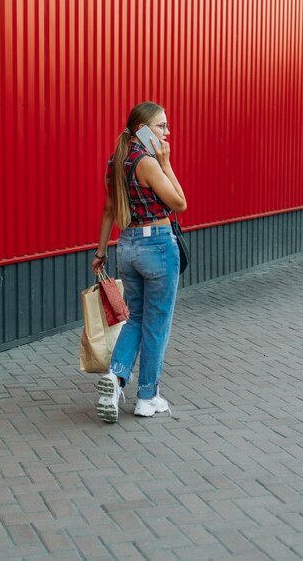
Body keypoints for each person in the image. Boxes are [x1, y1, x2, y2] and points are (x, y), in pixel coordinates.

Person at [92, 101, 187, 423]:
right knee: (156, 325)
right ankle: (147, 397)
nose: (167, 132)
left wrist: (101, 251)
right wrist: (166, 164)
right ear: (142, 129)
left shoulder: (115, 160)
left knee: (134, 319)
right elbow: (180, 203)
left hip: (127, 245)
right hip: (158, 246)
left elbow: (108, 210)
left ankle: (116, 376)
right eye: (161, 126)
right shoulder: (147, 162)